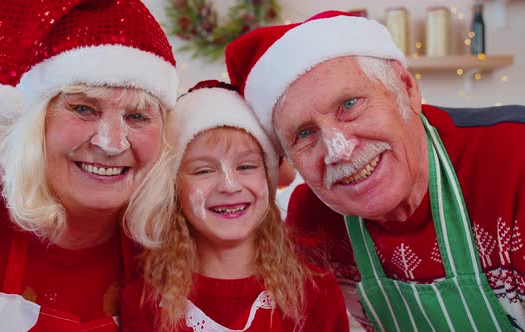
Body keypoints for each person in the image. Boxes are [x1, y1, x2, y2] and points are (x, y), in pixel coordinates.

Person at [225, 10, 525, 331]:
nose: (338, 150)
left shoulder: (514, 159)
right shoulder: (311, 222)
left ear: (406, 89)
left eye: (350, 104)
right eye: (304, 134)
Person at [0, 0, 179, 330]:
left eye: (137, 116)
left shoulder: (165, 239)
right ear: (35, 122)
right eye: (83, 109)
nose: (111, 143)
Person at [120, 80, 349, 331]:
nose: (229, 185)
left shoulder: (316, 293)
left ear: (268, 177)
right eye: (204, 170)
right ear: (175, 188)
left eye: (246, 167)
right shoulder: (145, 302)